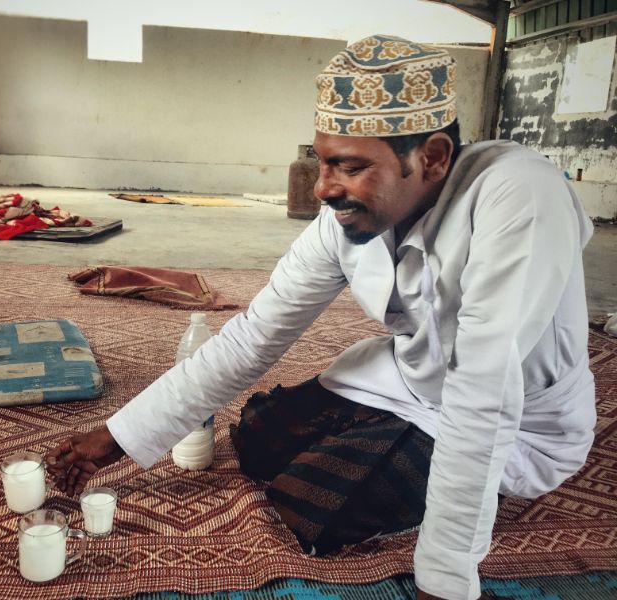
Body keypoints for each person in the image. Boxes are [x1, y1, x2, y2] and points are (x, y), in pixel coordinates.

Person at [46, 34, 596, 600]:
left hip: (519, 418)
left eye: (350, 166)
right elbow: (252, 337)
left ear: (431, 158)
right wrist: (116, 438)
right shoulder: (345, 222)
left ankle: (442, 472)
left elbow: (484, 388)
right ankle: (391, 441)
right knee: (258, 441)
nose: (323, 188)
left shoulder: (517, 196)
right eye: (322, 161)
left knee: (316, 506)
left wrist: (445, 575)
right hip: (405, 379)